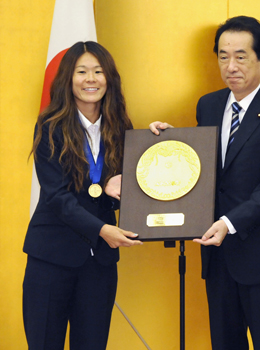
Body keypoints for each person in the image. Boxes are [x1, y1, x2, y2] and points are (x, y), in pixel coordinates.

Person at [150, 16, 260, 350]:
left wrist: (229, 223)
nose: (230, 65)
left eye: (241, 56)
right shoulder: (209, 104)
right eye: (223, 56)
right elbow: (201, 165)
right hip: (218, 257)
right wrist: (167, 142)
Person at [23, 41, 143, 350]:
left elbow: (127, 185)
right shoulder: (49, 127)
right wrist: (103, 230)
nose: (91, 79)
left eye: (98, 71)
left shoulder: (121, 128)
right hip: (51, 257)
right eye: (82, 71)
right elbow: (57, 197)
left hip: (99, 265)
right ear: (68, 78)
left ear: (109, 79)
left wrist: (158, 140)